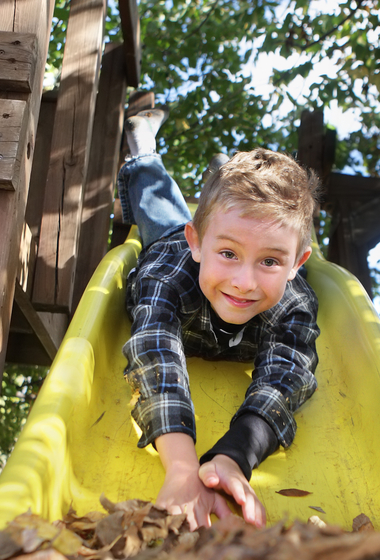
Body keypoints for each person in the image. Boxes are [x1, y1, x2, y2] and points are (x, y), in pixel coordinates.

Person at [119, 108, 320, 531]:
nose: (244, 282)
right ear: (200, 243)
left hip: (225, 236)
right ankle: (145, 154)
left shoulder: (294, 301)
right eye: (228, 254)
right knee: (159, 206)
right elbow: (156, 353)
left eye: (269, 261)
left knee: (232, 220)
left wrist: (233, 456)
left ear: (297, 264)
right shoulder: (170, 273)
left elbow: (287, 375)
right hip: (171, 247)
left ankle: (222, 172)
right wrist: (180, 466)